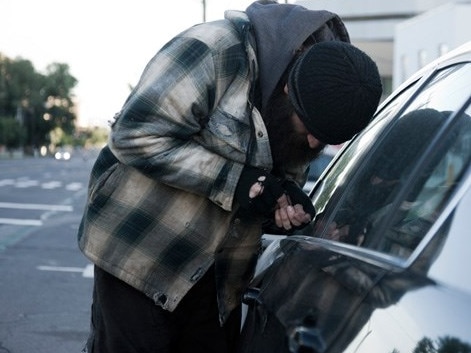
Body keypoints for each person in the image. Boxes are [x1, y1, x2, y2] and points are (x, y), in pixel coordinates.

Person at [77, 1, 382, 352]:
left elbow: (261, 189)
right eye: (311, 129)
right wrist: (239, 182)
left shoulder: (321, 95)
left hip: (220, 281)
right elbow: (134, 135)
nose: (314, 142)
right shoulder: (212, 50)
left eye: (325, 139)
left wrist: (279, 209)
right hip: (142, 257)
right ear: (288, 89)